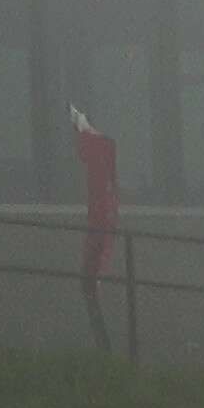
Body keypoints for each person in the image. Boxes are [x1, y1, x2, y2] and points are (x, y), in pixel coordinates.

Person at [71, 107, 122, 352]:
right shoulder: (104, 149)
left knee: (89, 283)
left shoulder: (98, 148)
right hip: (101, 221)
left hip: (100, 223)